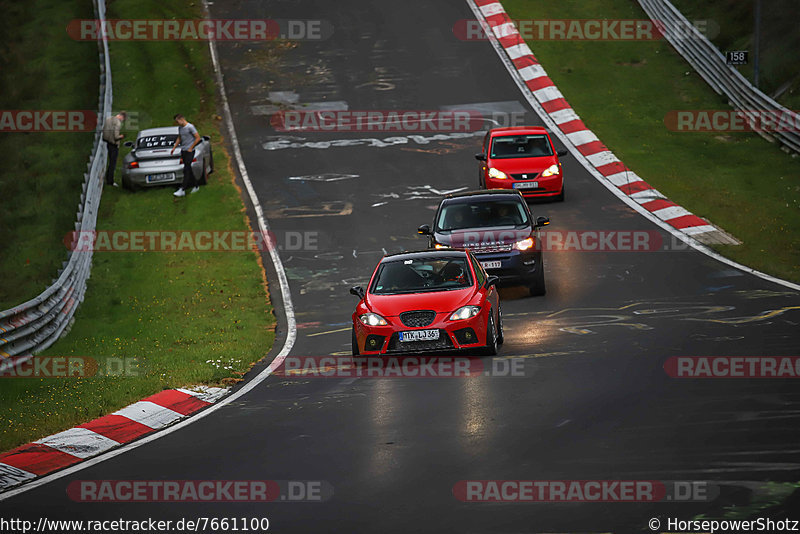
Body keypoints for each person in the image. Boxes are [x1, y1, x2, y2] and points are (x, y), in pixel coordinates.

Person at [170, 114, 202, 197]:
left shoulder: (190, 127)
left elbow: (197, 138)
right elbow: (179, 138)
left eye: (178, 121)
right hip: (183, 150)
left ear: (182, 119)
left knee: (186, 169)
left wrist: (191, 147)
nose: (178, 123)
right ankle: (196, 185)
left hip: (189, 151)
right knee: (188, 169)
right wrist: (174, 147)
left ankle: (182, 188)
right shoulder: (180, 128)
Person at [102, 111, 126, 187]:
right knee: (113, 163)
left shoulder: (108, 119)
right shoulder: (117, 123)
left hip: (108, 143)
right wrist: (121, 136)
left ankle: (107, 178)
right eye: (123, 119)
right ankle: (110, 181)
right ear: (122, 117)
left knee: (110, 162)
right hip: (114, 145)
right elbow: (116, 136)